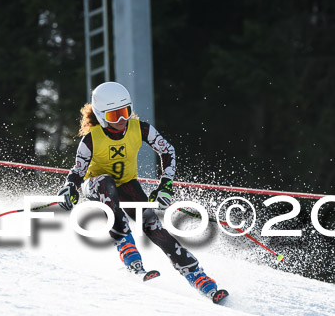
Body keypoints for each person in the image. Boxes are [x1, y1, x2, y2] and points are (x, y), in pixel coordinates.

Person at [57, 81, 227, 302]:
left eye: (125, 112)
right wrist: (69, 189)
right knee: (107, 185)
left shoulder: (141, 129)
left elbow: (168, 151)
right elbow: (77, 171)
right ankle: (129, 254)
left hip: (127, 184)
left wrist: (165, 186)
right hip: (96, 186)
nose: (121, 120)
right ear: (100, 116)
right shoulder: (90, 140)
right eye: (113, 115)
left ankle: (198, 276)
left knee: (152, 225)